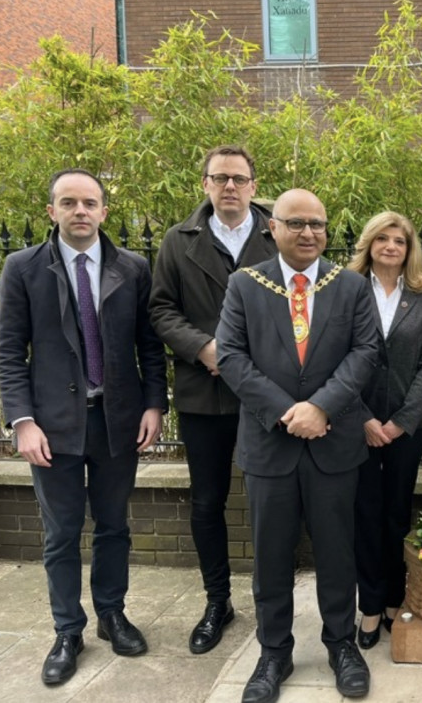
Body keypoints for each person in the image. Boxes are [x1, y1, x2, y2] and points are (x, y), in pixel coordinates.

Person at [0, 169, 167, 686]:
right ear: (52, 211)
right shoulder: (22, 268)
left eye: (89, 202)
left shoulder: (132, 267)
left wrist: (154, 405)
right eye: (68, 202)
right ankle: (68, 629)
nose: (80, 211)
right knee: (62, 533)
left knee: (114, 526)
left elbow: (149, 345)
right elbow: (8, 352)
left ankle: (112, 614)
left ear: (104, 211)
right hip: (53, 425)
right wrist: (22, 421)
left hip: (116, 422)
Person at [216, 189, 379, 702]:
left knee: (337, 551)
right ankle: (274, 652)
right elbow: (232, 356)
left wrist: (322, 407)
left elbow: (365, 350)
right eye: (296, 223)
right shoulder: (246, 285)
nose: (309, 232)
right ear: (272, 227)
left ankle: (340, 644)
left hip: (334, 444)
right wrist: (290, 412)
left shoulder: (350, 285)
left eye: (318, 223)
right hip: (270, 446)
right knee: (270, 556)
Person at [149, 144, 276, 654]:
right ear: (205, 183)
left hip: (268, 395)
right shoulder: (178, 243)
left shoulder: (280, 232)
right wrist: (204, 347)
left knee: (273, 501)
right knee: (207, 503)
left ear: (252, 184)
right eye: (219, 177)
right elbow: (160, 309)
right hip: (205, 394)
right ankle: (217, 601)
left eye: (238, 178)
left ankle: (274, 603)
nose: (229, 186)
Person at [347, 211, 422, 650]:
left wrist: (401, 421)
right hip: (356, 421)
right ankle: (369, 605)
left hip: (410, 424)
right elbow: (333, 357)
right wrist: (362, 417)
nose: (390, 246)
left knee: (396, 512)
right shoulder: (346, 290)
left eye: (399, 241)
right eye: (382, 238)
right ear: (369, 244)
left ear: (410, 249)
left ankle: (393, 598)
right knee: (364, 512)